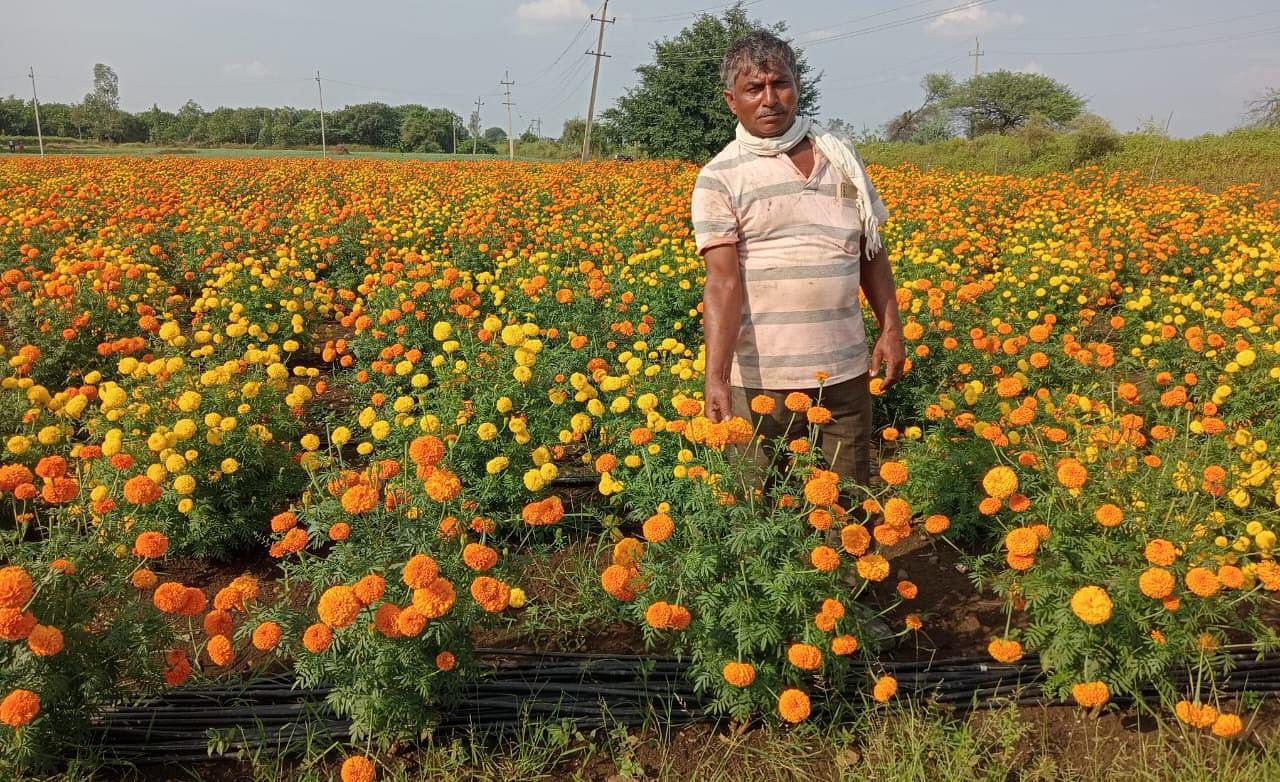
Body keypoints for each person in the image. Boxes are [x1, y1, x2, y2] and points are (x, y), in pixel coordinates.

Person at [693, 30, 905, 502]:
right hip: (758, 380)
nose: (770, 99)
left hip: (844, 370)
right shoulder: (719, 177)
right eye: (754, 88)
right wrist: (716, 376)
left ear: (797, 87)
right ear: (732, 101)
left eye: (780, 83)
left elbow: (870, 251)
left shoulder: (841, 159)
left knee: (847, 504)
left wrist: (891, 329)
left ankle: (850, 580)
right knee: (758, 511)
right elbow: (722, 284)